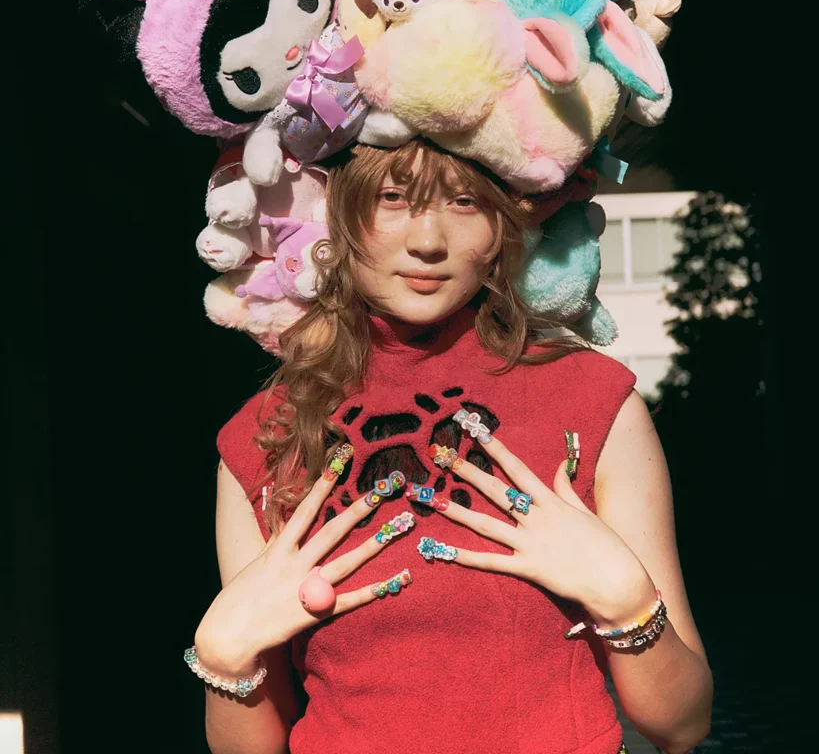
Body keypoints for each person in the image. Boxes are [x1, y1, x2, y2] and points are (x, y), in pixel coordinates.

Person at [190, 138, 713, 754]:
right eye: (393, 197)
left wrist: (626, 600)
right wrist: (221, 658)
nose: (430, 241)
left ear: (506, 218)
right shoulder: (266, 433)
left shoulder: (593, 401)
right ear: (331, 205)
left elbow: (683, 724)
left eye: (465, 201)